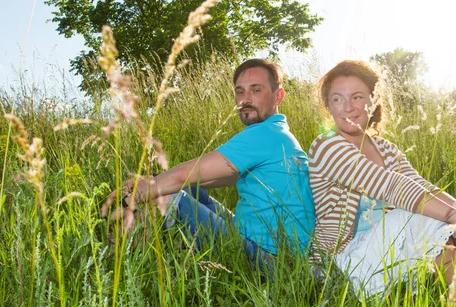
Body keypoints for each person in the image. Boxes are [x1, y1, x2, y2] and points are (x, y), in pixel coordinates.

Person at [101, 59, 315, 272]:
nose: (245, 99)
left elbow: (183, 174)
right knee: (185, 188)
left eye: (256, 90)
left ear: (278, 96)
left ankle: (127, 262)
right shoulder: (279, 134)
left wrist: (133, 197)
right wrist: (153, 181)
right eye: (240, 91)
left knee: (167, 195)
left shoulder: (264, 133)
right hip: (272, 250)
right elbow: (210, 178)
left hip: (270, 262)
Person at [308, 60, 456, 298]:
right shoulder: (327, 145)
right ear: (329, 105)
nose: (347, 107)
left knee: (448, 224)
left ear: (372, 101)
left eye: (356, 97)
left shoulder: (385, 148)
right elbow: (391, 186)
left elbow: (419, 184)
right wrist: (453, 215)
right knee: (425, 218)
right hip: (342, 262)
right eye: (337, 99)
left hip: (386, 248)